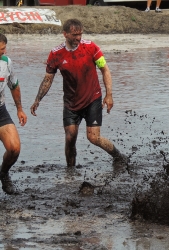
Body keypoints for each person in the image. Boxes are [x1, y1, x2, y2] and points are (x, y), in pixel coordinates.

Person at [30, 19, 127, 168]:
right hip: (71, 103)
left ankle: (118, 156)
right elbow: (48, 79)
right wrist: (37, 100)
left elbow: (105, 70)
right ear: (65, 34)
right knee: (70, 137)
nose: (78, 38)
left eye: (80, 34)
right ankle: (70, 171)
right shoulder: (56, 54)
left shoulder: (91, 47)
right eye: (74, 35)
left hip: (92, 99)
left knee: (93, 138)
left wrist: (109, 94)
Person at [0, 34, 27, 195]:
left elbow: (14, 85)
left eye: (3, 49)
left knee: (14, 148)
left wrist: (19, 109)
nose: (2, 52)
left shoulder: (6, 62)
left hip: (0, 110)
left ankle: (3, 174)